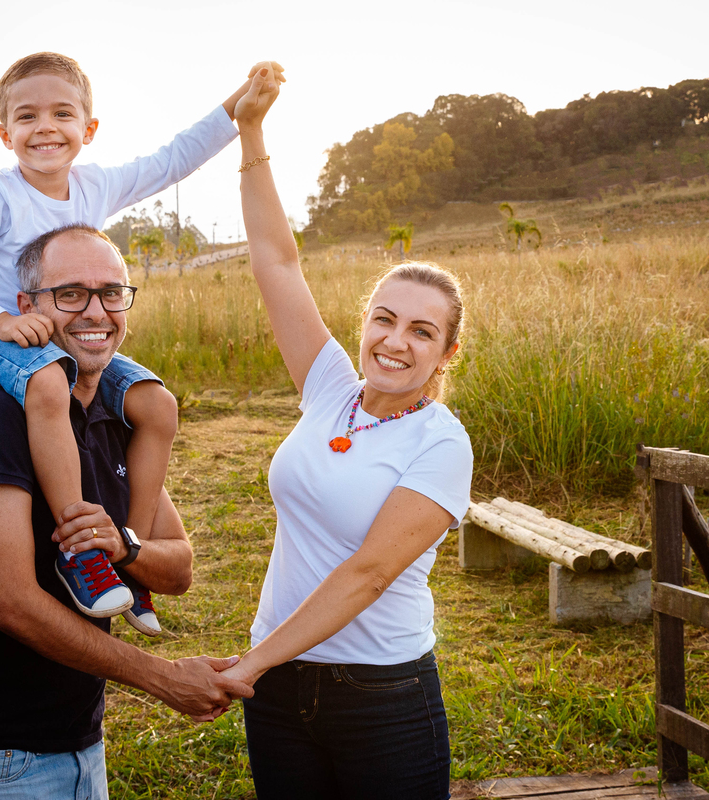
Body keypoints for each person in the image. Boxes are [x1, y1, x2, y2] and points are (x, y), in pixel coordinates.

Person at [0, 52, 284, 632]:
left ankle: (127, 552)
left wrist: (236, 110)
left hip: (56, 338)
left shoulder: (93, 186)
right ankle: (80, 553)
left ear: (88, 130)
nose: (45, 127)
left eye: (62, 113)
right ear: (4, 133)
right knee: (48, 378)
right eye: (27, 116)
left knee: (155, 403)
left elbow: (171, 161)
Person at [0, 224, 253, 799]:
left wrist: (124, 545)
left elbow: (177, 569)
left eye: (111, 292)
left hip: (80, 743)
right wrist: (163, 678)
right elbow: (12, 606)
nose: (95, 312)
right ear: (26, 306)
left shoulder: (110, 417)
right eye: (70, 294)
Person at [218, 69, 474, 799]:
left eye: (422, 331)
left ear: (446, 353)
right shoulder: (331, 387)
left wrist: (250, 663)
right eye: (384, 319)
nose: (396, 342)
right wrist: (251, 130)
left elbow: (368, 574)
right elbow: (276, 261)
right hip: (278, 689)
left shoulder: (441, 444)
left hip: (382, 699)